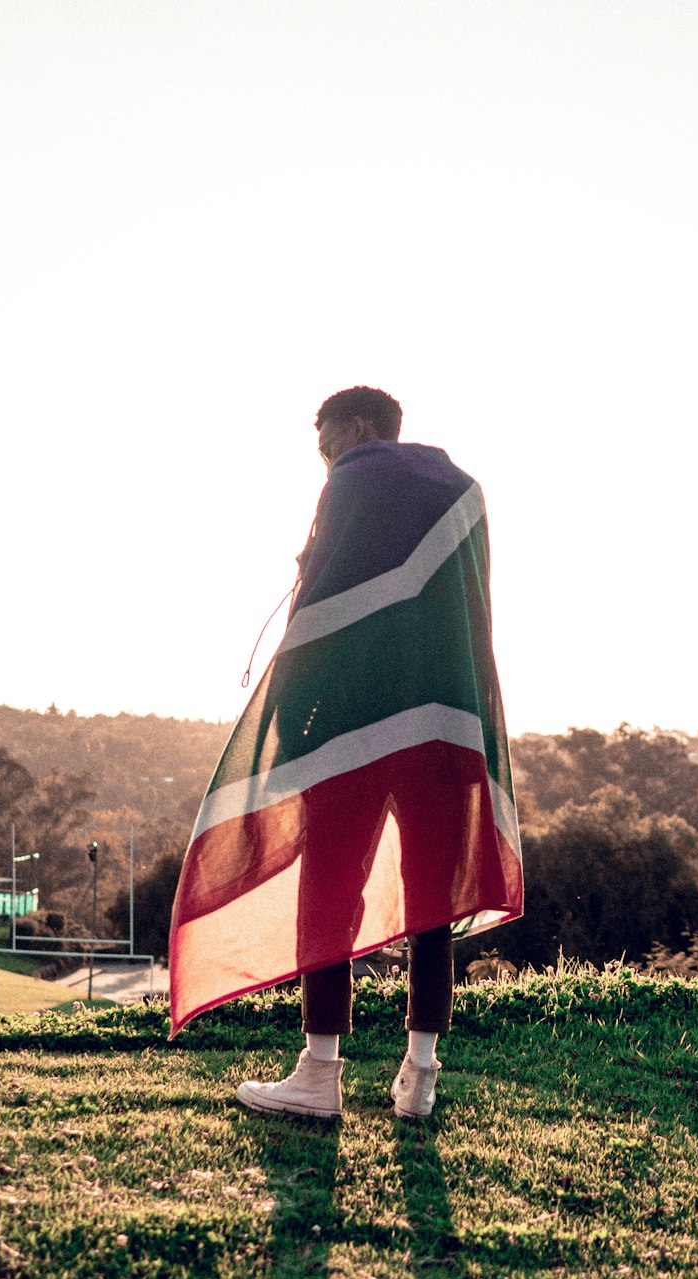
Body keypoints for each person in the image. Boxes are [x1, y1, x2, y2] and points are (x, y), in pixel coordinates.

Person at [168, 386, 522, 1119]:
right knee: (435, 895)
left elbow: (319, 602)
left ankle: (318, 1073)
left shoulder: (352, 480)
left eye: (326, 438)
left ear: (357, 428)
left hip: (356, 726)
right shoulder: (465, 491)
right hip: (448, 724)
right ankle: (420, 1075)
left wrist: (293, 725)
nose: (324, 453)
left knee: (327, 885)